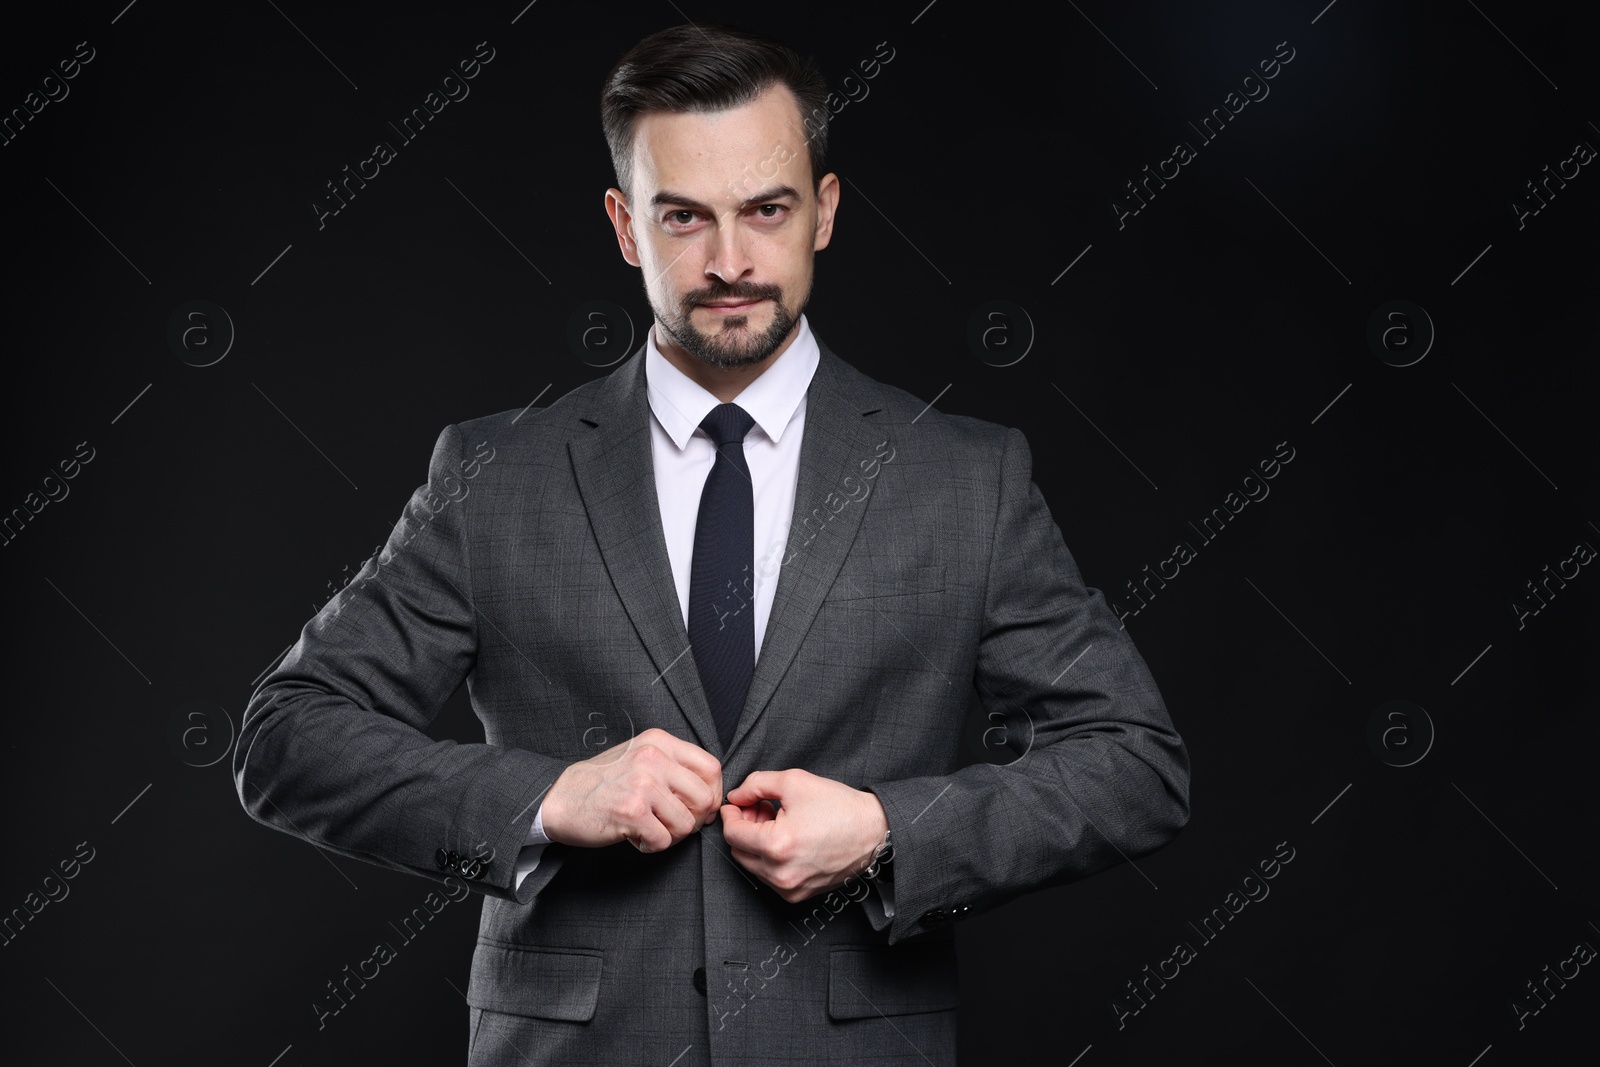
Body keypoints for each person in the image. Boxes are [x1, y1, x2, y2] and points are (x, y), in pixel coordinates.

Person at [234, 22, 1189, 1066]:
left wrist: (884, 829)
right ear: (624, 225)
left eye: (765, 211)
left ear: (823, 211)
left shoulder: (962, 476)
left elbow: (1133, 765)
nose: (729, 261)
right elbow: (285, 738)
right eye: (683, 216)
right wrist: (551, 796)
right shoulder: (493, 475)